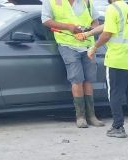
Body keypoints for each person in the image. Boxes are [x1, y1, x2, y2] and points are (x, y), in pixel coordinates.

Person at [85, 0, 128, 138]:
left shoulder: (112, 9)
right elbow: (109, 27)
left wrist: (94, 47)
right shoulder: (127, 8)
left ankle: (118, 126)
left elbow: (107, 33)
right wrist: (88, 34)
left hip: (116, 60)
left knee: (115, 94)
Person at [41, 0, 105, 128]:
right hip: (68, 45)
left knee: (89, 80)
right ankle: (80, 117)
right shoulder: (52, 1)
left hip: (88, 45)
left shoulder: (86, 1)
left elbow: (95, 21)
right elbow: (46, 21)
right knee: (77, 79)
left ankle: (91, 116)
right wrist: (68, 27)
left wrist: (91, 30)